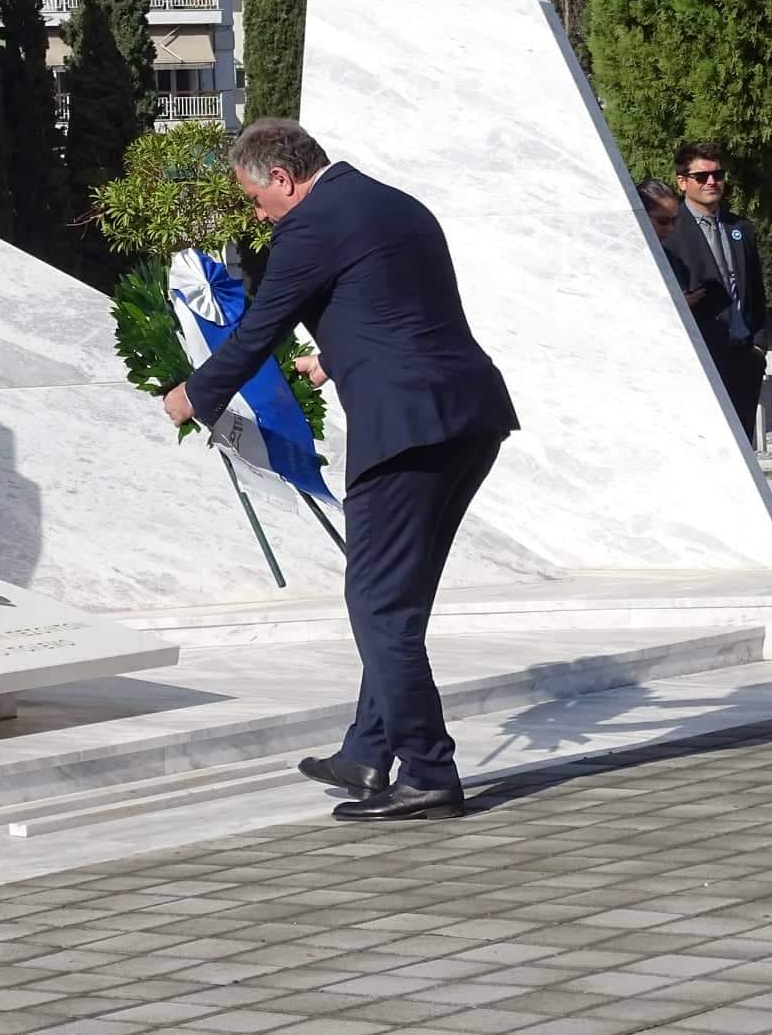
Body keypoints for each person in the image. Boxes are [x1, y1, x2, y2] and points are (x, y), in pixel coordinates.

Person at [162, 120, 517, 822]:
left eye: (257, 200)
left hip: (407, 431)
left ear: (282, 179)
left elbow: (259, 328)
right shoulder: (394, 203)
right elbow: (397, 307)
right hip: (471, 415)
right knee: (399, 597)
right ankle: (365, 751)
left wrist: (195, 394)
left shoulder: (311, 224)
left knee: (378, 604)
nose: (259, 216)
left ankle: (428, 771)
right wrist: (334, 358)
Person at [663, 142, 768, 444]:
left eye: (717, 175)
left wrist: (759, 345)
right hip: (700, 356)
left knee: (743, 445)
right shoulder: (669, 230)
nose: (711, 182)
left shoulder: (740, 228)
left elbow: (756, 289)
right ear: (682, 182)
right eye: (701, 176)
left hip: (744, 355)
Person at [637, 177, 707, 307]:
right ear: (641, 217)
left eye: (674, 220)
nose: (670, 229)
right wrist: (673, 305)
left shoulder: (669, 258)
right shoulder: (620, 258)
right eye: (663, 221)